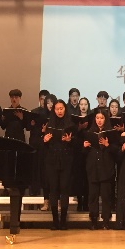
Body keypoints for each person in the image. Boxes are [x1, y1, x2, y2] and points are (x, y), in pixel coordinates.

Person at [43, 99, 75, 230]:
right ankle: (55, 221)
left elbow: (76, 145)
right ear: (54, 110)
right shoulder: (49, 124)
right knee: (54, 189)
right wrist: (45, 140)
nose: (59, 111)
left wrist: (69, 140)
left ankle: (63, 221)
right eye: (57, 109)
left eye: (61, 108)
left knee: (64, 189)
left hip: (66, 160)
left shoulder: (70, 124)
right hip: (52, 160)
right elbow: (44, 147)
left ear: (65, 109)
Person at [83, 110, 118, 229]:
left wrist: (107, 145)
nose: (99, 120)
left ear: (105, 119)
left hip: (106, 168)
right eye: (97, 118)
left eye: (102, 118)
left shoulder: (111, 133)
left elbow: (116, 151)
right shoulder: (89, 132)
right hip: (93, 168)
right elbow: (83, 153)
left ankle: (106, 221)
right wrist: (85, 147)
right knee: (93, 196)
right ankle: (93, 220)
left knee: (106, 196)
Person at [28, 89, 50, 201]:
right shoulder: (34, 112)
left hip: (46, 144)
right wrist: (31, 124)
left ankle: (45, 189)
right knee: (34, 165)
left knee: (45, 167)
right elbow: (28, 127)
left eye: (45, 100)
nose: (43, 101)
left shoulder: (51, 113)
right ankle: (34, 189)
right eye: (41, 99)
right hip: (35, 142)